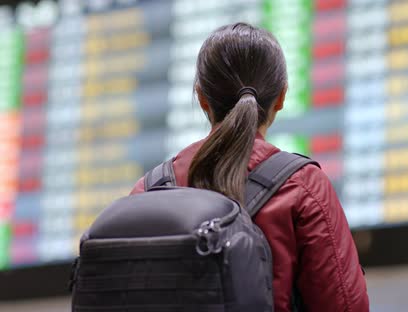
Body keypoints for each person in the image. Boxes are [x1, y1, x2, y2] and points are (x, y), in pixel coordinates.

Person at [130, 22, 369, 312]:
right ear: (281, 98)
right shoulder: (303, 186)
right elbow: (344, 305)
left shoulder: (147, 191)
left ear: (202, 98)